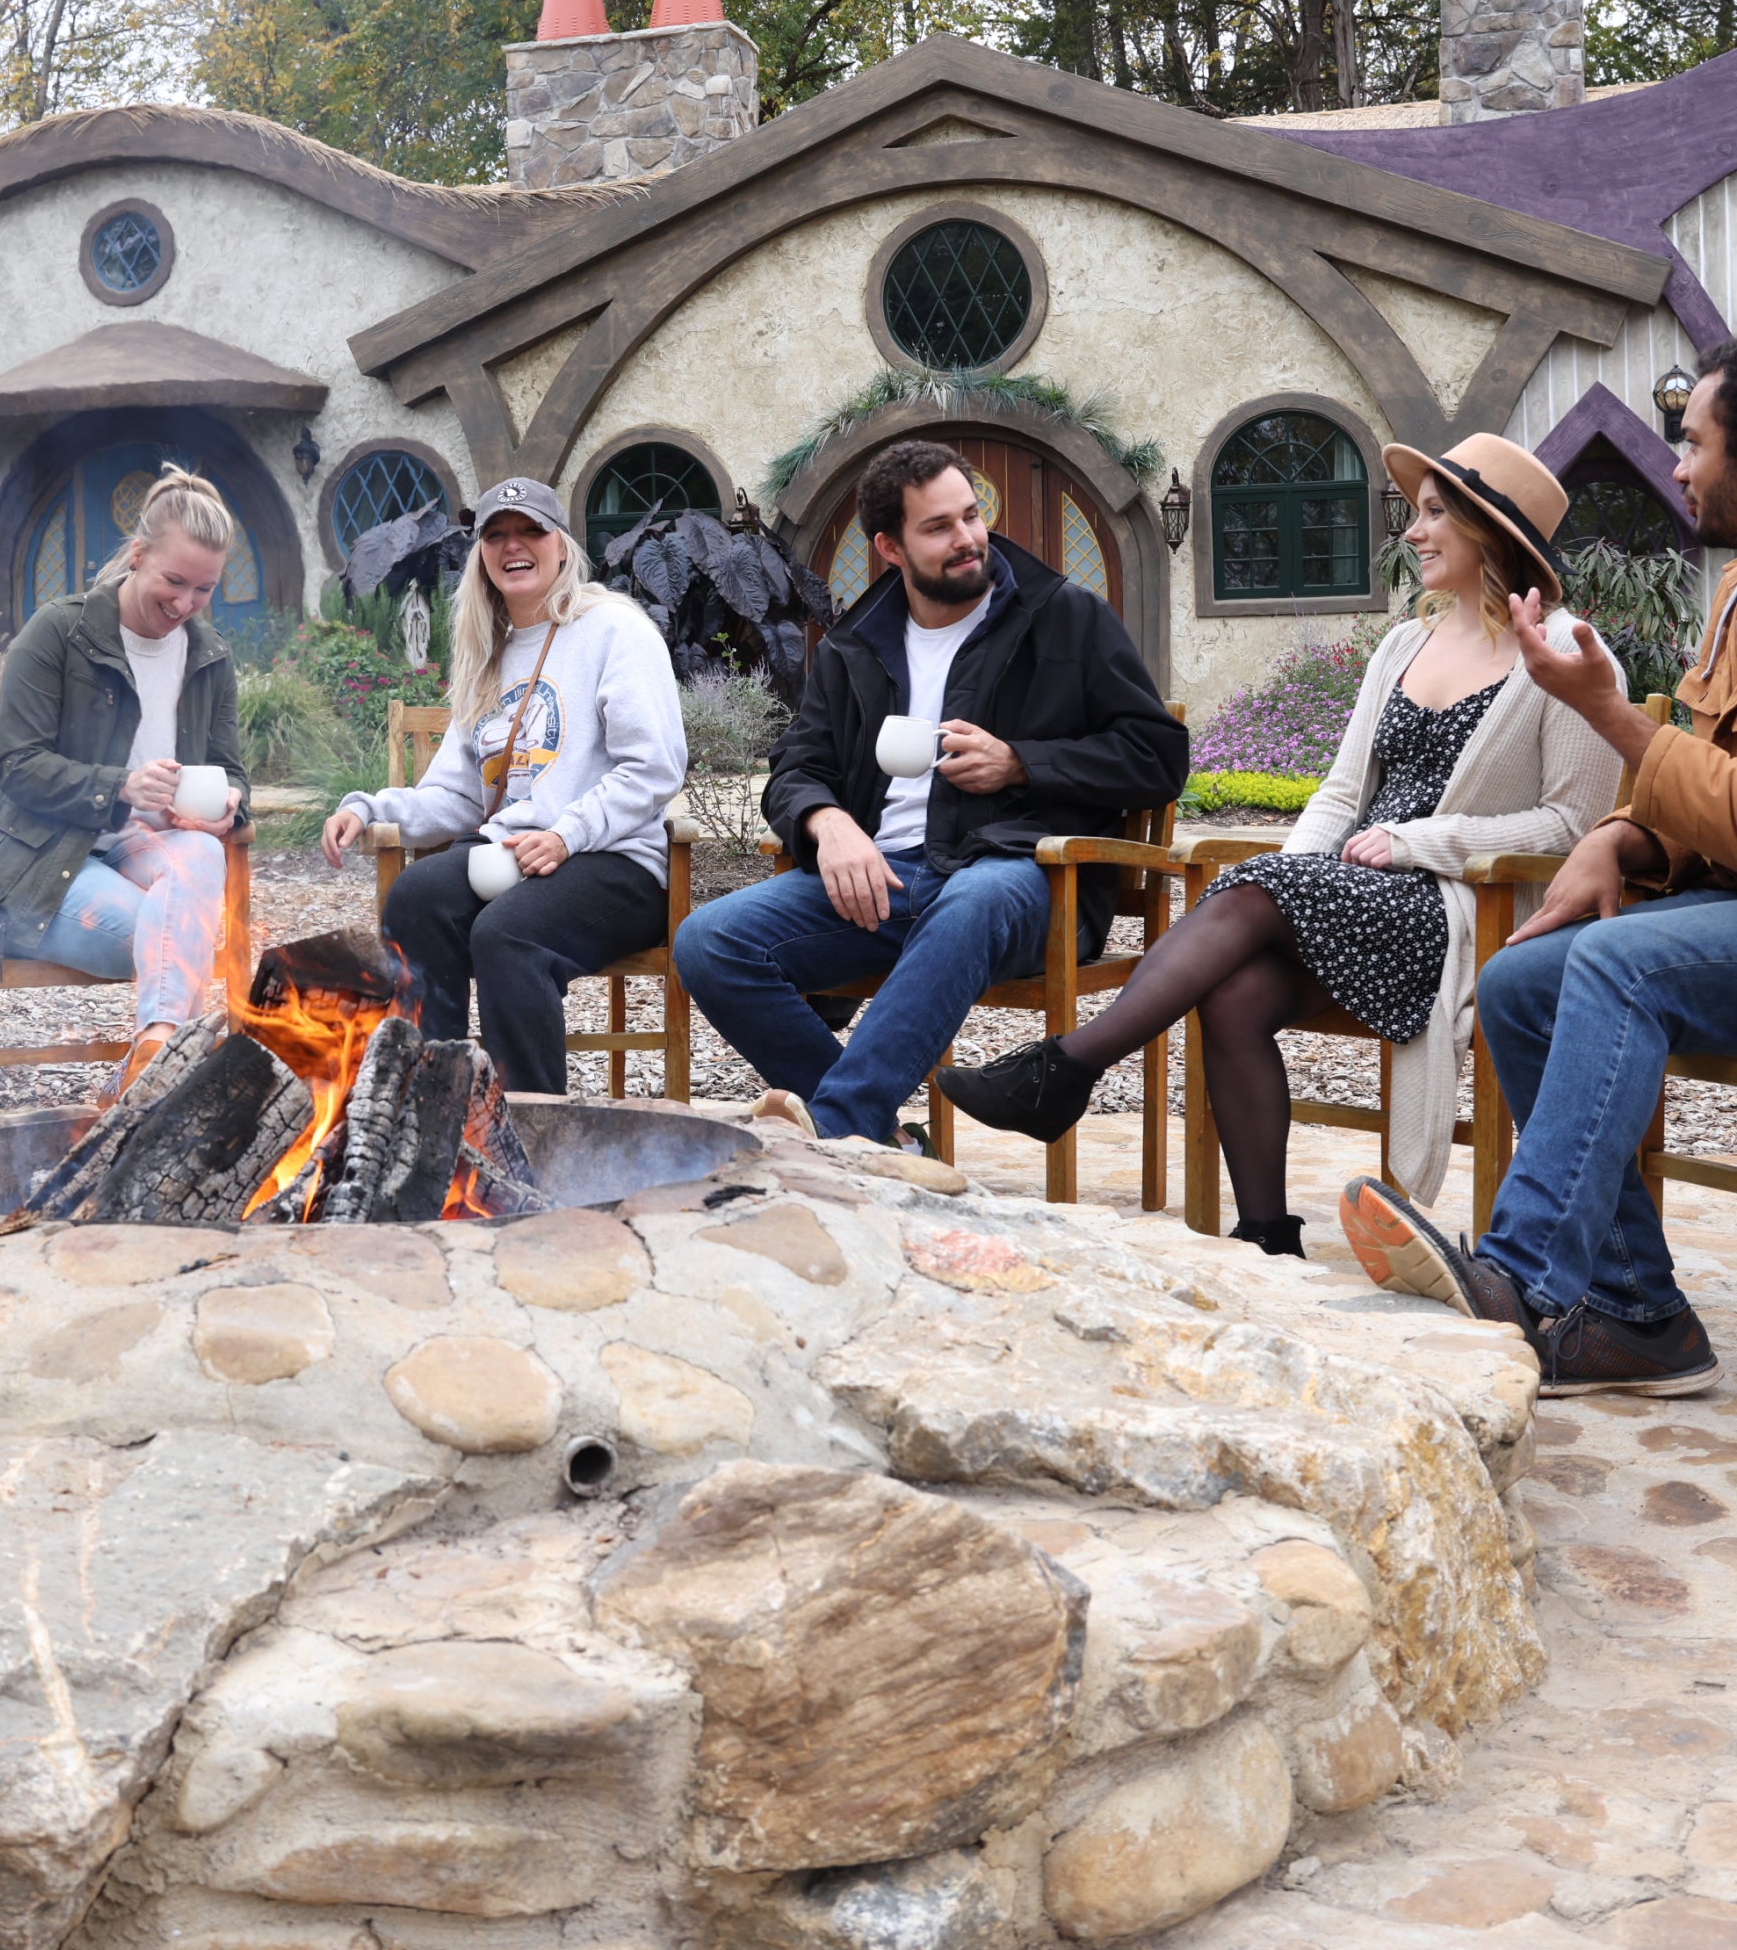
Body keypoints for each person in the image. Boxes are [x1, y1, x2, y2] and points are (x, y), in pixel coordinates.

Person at [944, 433, 1620, 1248]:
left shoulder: (1571, 655)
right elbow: (1341, 792)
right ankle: (1267, 1234)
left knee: (1263, 889)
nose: (1410, 532)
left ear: (1491, 528)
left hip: (1460, 911)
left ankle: (1067, 1069)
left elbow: (1570, 827)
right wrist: (1299, 880)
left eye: (1434, 514)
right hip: (1356, 893)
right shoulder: (1407, 642)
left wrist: (1419, 842)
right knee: (1233, 993)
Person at [1342, 350, 1737, 1395]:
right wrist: (1628, 841)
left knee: (1611, 965)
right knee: (1523, 980)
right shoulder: (1736, 594)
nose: (1679, 467)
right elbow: (1712, 801)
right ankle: (1641, 1316)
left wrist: (1605, 716)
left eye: (1693, 441)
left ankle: (1516, 1275)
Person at [673, 439, 1187, 1146]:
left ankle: (841, 1130)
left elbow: (1158, 756)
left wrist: (1020, 763)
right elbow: (797, 764)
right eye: (938, 528)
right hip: (887, 882)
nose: (968, 539)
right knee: (709, 940)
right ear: (890, 547)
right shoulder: (856, 642)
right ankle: (880, 1141)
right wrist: (827, 823)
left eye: (970, 516)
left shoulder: (1064, 616)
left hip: (1021, 878)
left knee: (971, 898)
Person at [321, 477, 685, 1093]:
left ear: (562, 546)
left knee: (506, 935)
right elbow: (459, 797)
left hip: (615, 861)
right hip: (517, 856)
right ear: (482, 556)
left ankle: (532, 1122)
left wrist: (567, 835)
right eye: (496, 535)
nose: (513, 546)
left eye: (530, 531)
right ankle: (432, 1103)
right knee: (415, 897)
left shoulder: (615, 631)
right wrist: (367, 807)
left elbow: (654, 767)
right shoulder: (490, 652)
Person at [0, 467, 247, 1059]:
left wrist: (230, 808)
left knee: (203, 853)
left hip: (147, 851)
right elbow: (18, 765)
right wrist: (123, 786)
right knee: (172, 937)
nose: (187, 603)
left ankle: (154, 1053)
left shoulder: (209, 655)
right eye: (175, 580)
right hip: (40, 863)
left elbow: (229, 770)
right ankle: (172, 1067)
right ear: (137, 555)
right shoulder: (58, 633)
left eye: (205, 589)